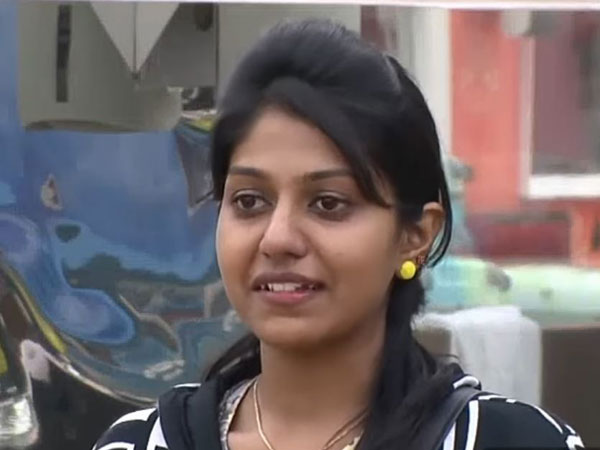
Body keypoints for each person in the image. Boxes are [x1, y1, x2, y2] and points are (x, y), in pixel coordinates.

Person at [92, 19, 584, 450]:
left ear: (415, 235)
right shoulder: (140, 442)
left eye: (328, 203)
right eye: (249, 201)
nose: (277, 238)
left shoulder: (513, 441)